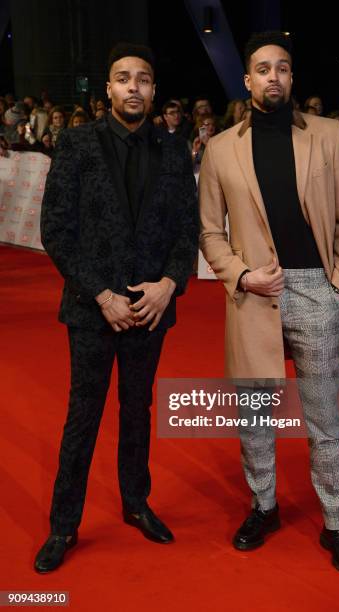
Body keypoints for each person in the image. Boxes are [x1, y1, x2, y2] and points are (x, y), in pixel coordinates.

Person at [199, 31, 339, 576]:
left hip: (317, 290)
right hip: (253, 296)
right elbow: (209, 232)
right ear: (247, 80)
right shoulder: (221, 147)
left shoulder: (328, 134)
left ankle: (337, 523)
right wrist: (243, 276)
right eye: (263, 69)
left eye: (283, 68)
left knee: (325, 420)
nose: (274, 76)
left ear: (292, 78)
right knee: (254, 416)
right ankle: (264, 507)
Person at [34, 42, 198, 573]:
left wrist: (169, 283)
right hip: (91, 310)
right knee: (83, 415)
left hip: (150, 311)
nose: (134, 86)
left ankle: (136, 503)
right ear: (107, 89)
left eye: (143, 79)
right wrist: (102, 294)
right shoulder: (77, 144)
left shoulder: (174, 151)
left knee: (137, 411)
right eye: (123, 78)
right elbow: (57, 229)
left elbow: (185, 230)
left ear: (153, 90)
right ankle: (63, 525)